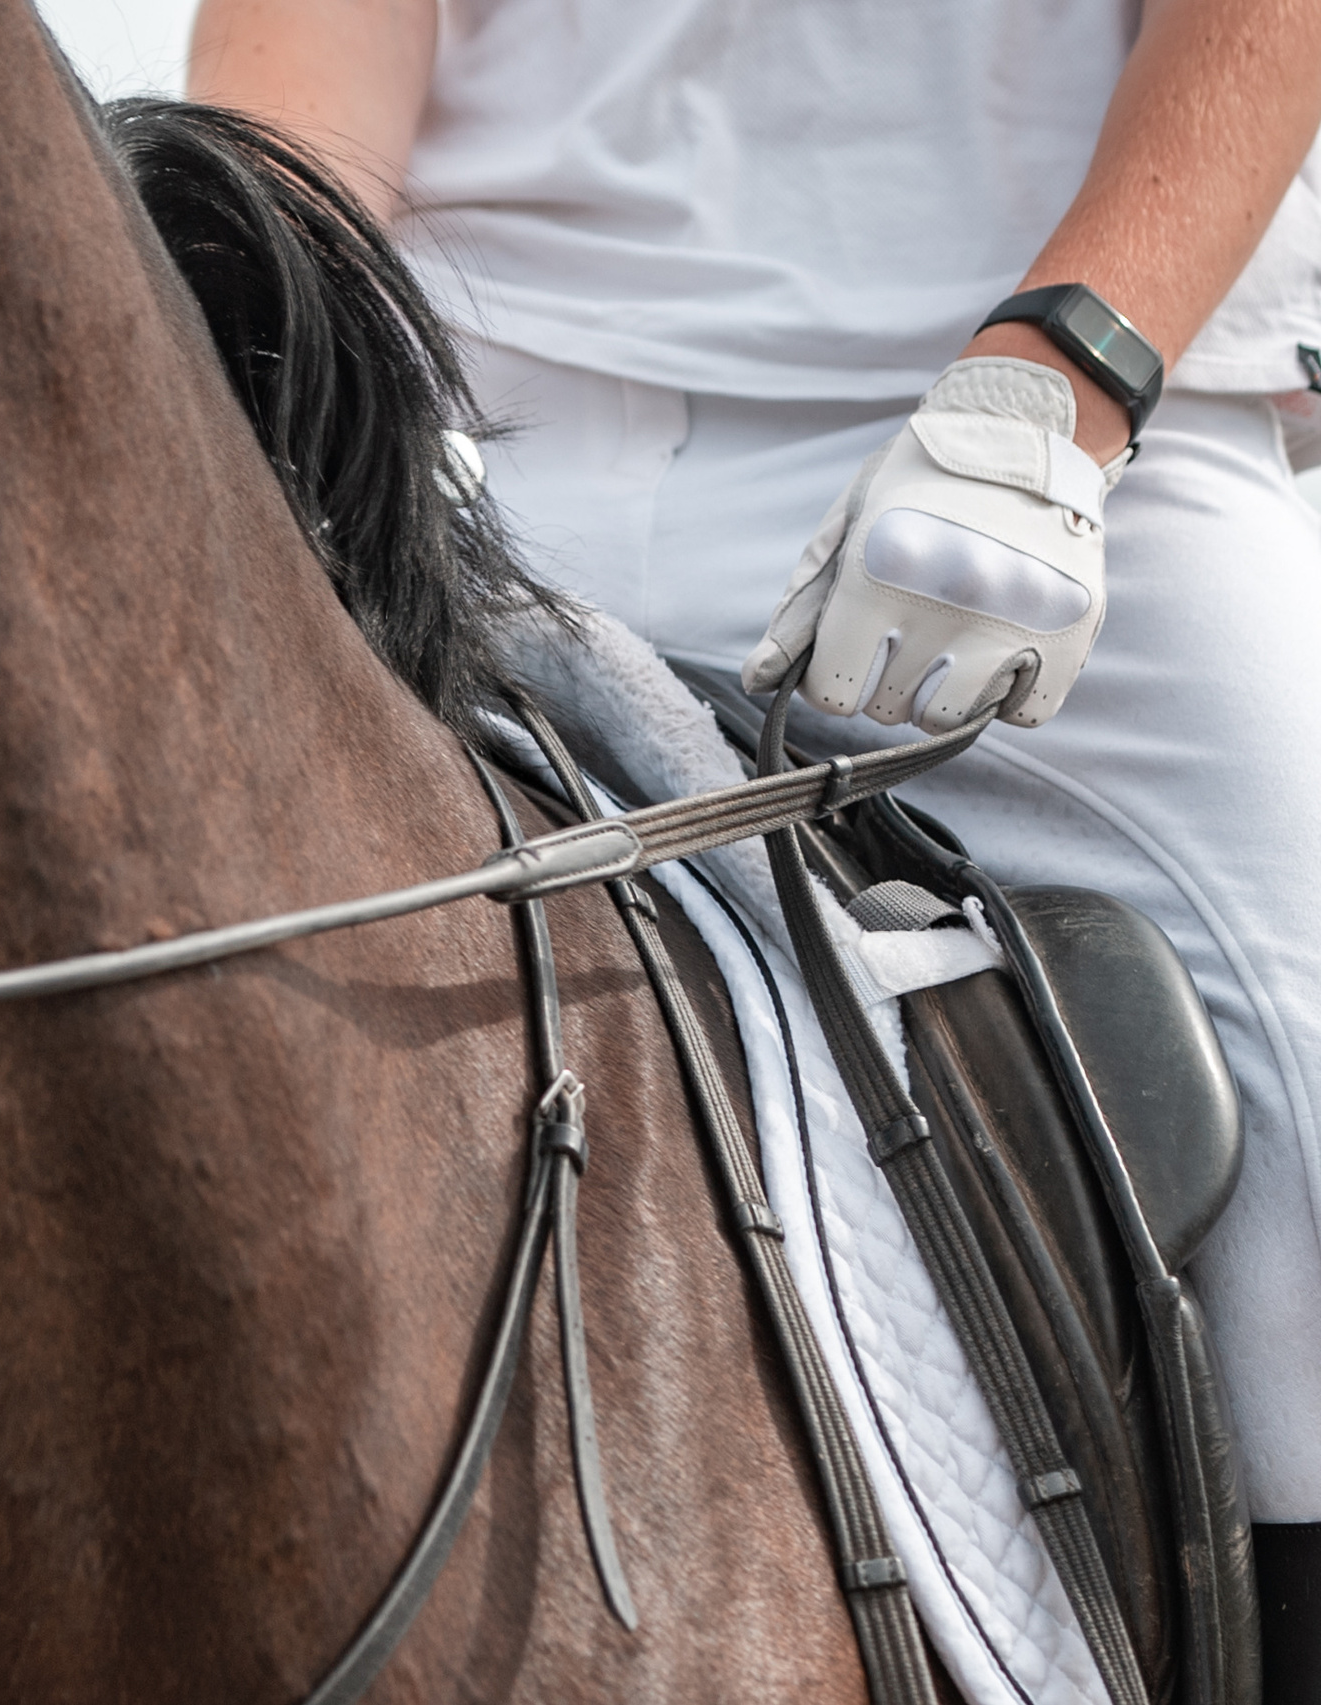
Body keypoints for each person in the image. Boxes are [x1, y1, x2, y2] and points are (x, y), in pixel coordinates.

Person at [185, 0, 1321, 1694]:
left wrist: (1057, 384)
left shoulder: (1055, 411)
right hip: (489, 438)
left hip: (1055, 446)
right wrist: (281, 371)